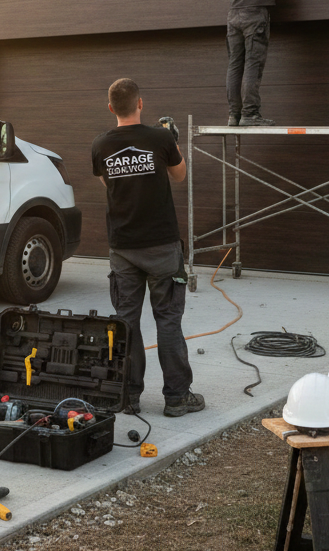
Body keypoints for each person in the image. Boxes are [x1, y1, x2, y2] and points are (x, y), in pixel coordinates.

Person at [90, 78, 203, 418]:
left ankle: (128, 397)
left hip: (123, 247)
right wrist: (174, 143)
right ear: (141, 103)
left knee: (126, 322)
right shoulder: (161, 138)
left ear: (111, 107)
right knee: (168, 321)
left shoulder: (100, 145)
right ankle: (177, 398)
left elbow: (107, 183)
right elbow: (180, 175)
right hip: (162, 247)